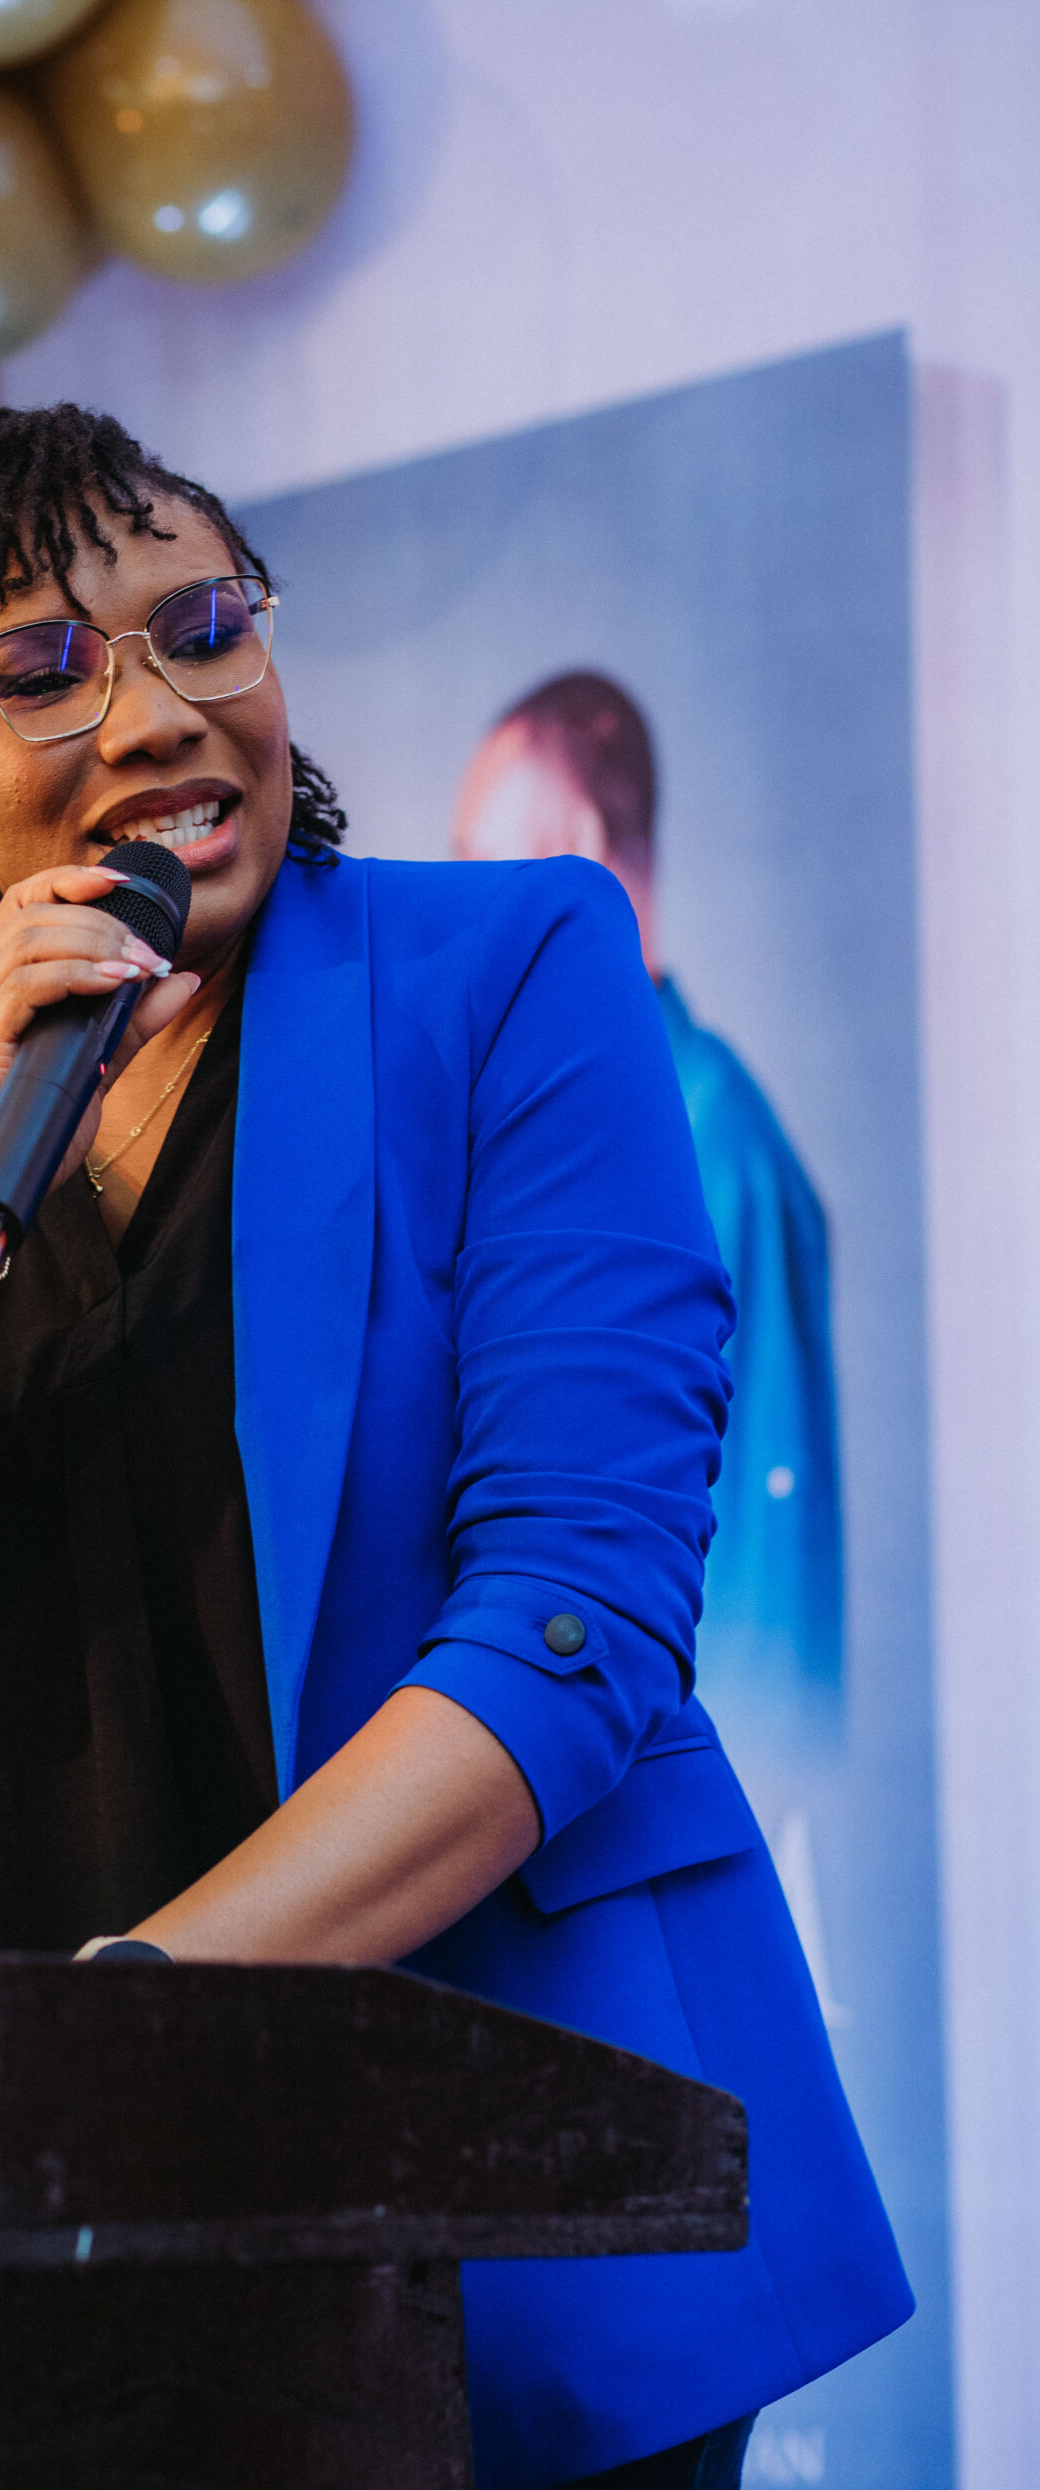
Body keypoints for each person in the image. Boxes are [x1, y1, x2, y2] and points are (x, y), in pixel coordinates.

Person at [0, 407, 910, 2490]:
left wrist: (124, 2035)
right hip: (76, 2266)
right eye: (43, 668)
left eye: (201, 626)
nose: (158, 710)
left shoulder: (508, 970)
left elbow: (572, 1627)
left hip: (498, 2205)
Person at [453, 675, 843, 1742]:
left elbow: (765, 1586)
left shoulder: (717, 1145)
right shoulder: (554, 1130)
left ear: (576, 848)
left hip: (673, 1779)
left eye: (476, 861)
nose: (456, 911)